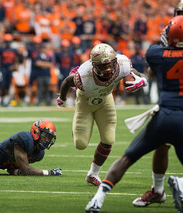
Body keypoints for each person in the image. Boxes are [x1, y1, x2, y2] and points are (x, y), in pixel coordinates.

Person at [85, 15, 183, 213]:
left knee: (127, 158)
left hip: (162, 116)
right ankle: (182, 183)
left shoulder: (155, 53)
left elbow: (152, 70)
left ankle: (98, 198)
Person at [131, 0, 183, 208]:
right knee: (161, 144)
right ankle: (158, 191)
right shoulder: (172, 29)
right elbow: (156, 70)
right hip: (181, 99)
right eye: (181, 13)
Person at [56, 43, 148, 186]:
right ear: (94, 66)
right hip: (85, 102)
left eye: (110, 64)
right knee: (80, 144)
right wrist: (62, 98)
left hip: (105, 100)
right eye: (103, 66)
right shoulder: (84, 75)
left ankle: (93, 174)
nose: (108, 69)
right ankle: (76, 128)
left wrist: (143, 80)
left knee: (109, 138)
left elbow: (135, 75)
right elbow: (67, 81)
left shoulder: (122, 63)